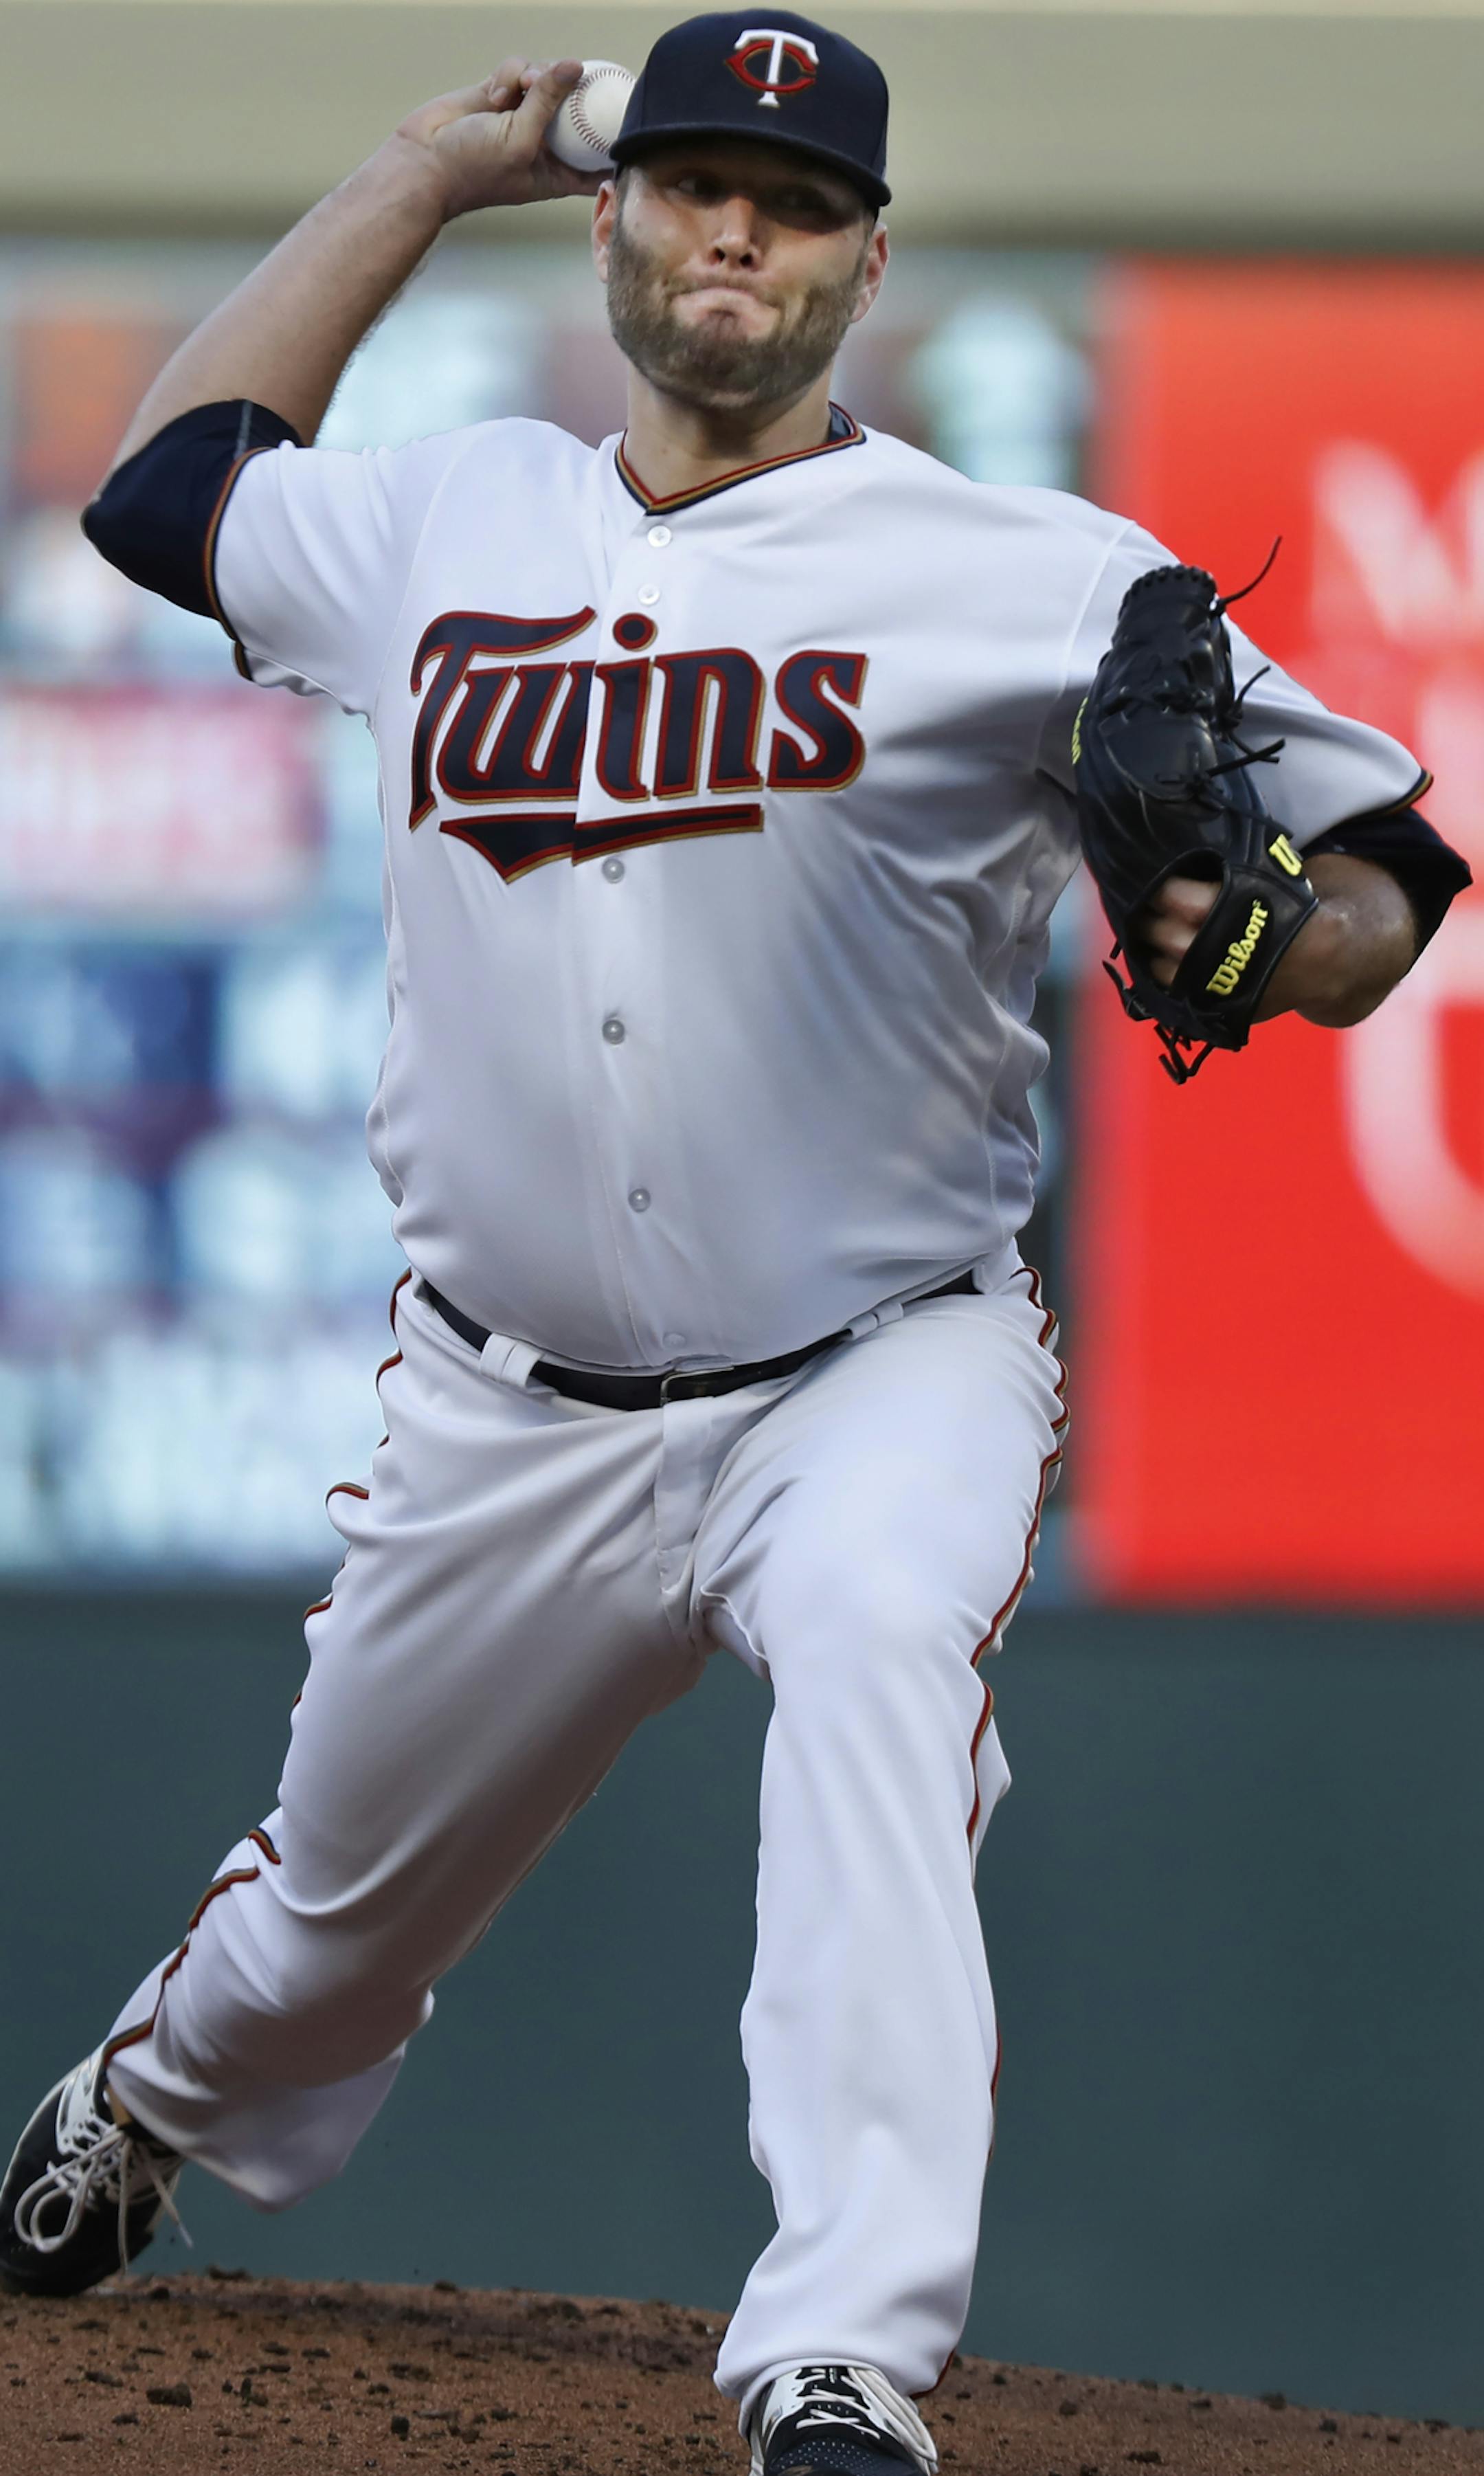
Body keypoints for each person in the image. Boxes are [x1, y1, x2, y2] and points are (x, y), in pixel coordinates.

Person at [0, 14, 1469, 2475]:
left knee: (887, 1647)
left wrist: (1266, 925)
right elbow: (166, 497)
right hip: (507, 1398)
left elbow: (1387, 880)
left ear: (868, 259)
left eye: (793, 202)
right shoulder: (441, 520)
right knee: (327, 1931)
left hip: (873, 1356)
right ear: (612, 222)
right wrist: (409, 171)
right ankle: (150, 2096)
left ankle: (840, 2351)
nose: (735, 232)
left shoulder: (1034, 573)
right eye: (692, 183)